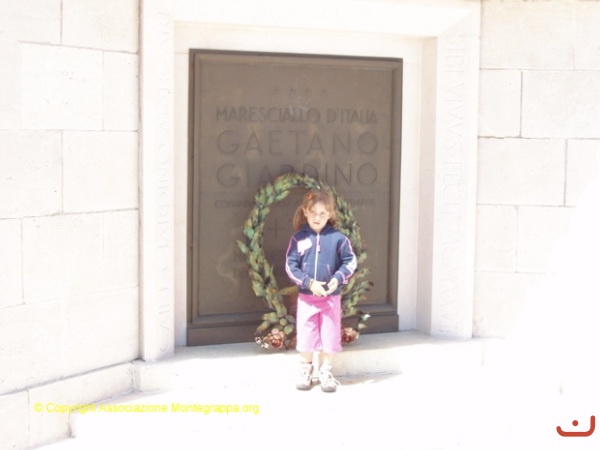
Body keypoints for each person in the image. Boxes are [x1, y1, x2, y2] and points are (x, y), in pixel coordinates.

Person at [285, 189, 357, 392]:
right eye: (313, 212)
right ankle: (306, 370)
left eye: (322, 213)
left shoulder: (338, 239)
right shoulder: (298, 239)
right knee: (306, 334)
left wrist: (337, 279)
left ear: (330, 214)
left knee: (329, 334)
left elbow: (349, 261)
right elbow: (291, 265)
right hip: (307, 298)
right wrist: (308, 282)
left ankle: (326, 371)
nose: (317, 217)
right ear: (305, 212)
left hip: (330, 299)